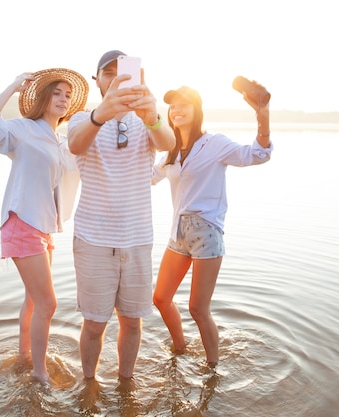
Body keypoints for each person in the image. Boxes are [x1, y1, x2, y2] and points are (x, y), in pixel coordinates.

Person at [67, 50, 176, 385]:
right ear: (96, 80)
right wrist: (102, 114)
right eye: (108, 73)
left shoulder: (147, 120)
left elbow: (168, 141)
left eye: (124, 72)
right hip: (93, 241)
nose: (116, 78)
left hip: (138, 240)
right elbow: (74, 144)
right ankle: (89, 383)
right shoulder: (81, 119)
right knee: (95, 323)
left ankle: (126, 383)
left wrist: (151, 114)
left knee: (132, 321)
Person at [0, 68, 88, 386]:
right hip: (22, 223)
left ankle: (25, 357)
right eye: (57, 93)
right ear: (43, 98)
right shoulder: (23, 129)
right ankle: (40, 374)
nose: (64, 99)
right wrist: (12, 87)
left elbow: (83, 161)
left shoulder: (62, 141)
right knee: (48, 303)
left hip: (43, 227)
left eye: (68, 95)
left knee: (35, 300)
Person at [152, 84, 273, 367]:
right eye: (172, 106)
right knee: (160, 298)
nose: (177, 110)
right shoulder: (170, 150)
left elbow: (258, 154)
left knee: (198, 308)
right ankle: (180, 348)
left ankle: (212, 368)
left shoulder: (214, 144)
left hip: (206, 232)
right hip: (178, 233)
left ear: (198, 111)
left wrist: (262, 116)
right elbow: (147, 176)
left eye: (184, 104)